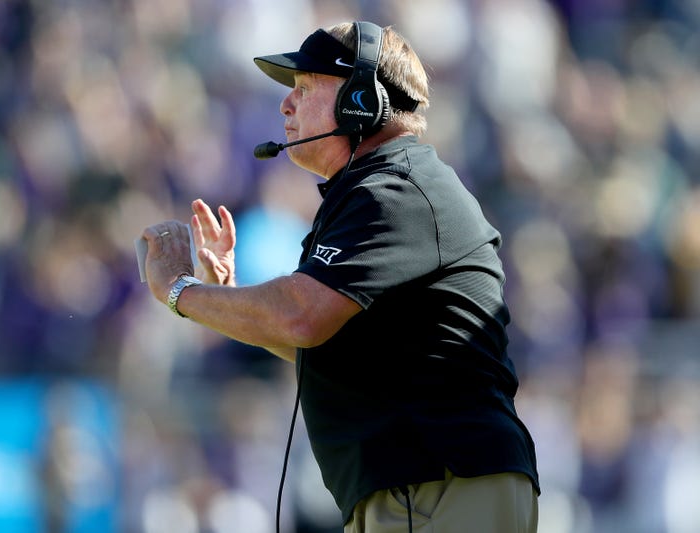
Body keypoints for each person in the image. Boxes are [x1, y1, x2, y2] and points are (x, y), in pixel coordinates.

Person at [141, 20, 540, 533]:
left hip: (438, 485)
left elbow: (302, 318)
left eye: (305, 89)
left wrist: (180, 290)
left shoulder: (394, 190)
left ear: (360, 100)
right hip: (427, 488)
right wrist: (226, 298)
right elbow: (327, 345)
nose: (286, 105)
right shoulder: (377, 190)